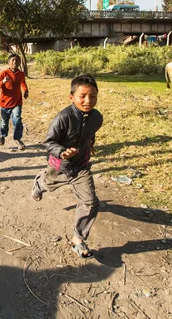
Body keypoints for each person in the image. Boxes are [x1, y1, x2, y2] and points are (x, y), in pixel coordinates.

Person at [31, 74, 103, 259]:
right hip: (60, 166)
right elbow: (49, 142)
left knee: (90, 202)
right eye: (83, 96)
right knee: (49, 184)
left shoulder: (97, 118)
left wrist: (90, 145)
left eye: (93, 96)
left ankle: (78, 238)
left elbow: (90, 133)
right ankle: (39, 183)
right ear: (72, 97)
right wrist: (62, 152)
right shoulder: (62, 118)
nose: (88, 100)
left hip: (81, 166)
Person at [0, 54, 28, 150]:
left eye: (17, 60)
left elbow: (23, 82)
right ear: (8, 62)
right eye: (13, 60)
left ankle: (17, 139)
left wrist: (25, 90)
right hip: (5, 103)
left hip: (17, 102)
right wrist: (2, 82)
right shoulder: (4, 73)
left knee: (17, 120)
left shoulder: (21, 74)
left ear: (19, 63)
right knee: (4, 122)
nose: (15, 62)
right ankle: (2, 135)